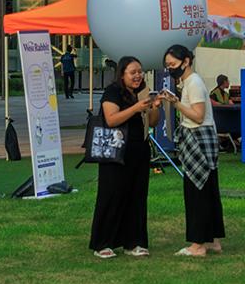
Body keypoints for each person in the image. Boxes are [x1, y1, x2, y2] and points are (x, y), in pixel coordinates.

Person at [89, 56, 161, 259]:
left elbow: (153, 122)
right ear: (122, 74)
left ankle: (134, 242)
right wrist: (136, 108)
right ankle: (103, 242)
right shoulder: (112, 92)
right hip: (115, 151)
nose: (138, 76)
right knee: (112, 195)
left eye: (140, 71)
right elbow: (111, 120)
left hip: (139, 149)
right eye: (133, 72)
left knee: (137, 196)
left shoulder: (143, 91)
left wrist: (155, 106)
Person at [161, 44, 225, 257]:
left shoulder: (194, 82)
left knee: (197, 191)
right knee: (208, 190)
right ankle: (213, 240)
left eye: (173, 64)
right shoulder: (188, 82)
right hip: (202, 140)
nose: (170, 69)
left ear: (186, 61)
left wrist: (175, 103)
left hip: (198, 139)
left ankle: (197, 245)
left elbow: (198, 115)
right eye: (167, 65)